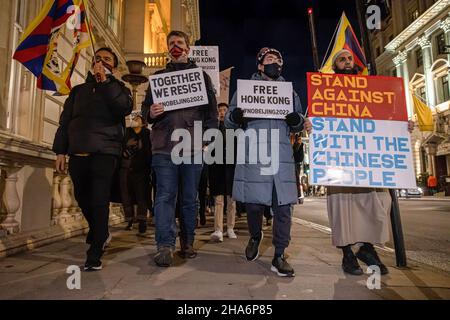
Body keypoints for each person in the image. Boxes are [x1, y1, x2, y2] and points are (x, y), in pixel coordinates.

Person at [324, 49, 413, 276]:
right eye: (341, 59)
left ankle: (366, 247)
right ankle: (347, 255)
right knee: (343, 207)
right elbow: (320, 118)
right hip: (340, 158)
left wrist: (402, 126)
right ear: (335, 66)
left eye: (349, 59)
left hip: (367, 160)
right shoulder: (326, 90)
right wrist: (311, 126)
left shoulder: (370, 88)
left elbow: (386, 117)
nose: (346, 62)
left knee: (379, 201)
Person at [225, 47, 311, 277]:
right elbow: (228, 120)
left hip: (281, 158)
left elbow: (300, 122)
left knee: (284, 208)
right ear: (260, 65)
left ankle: (279, 254)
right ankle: (255, 235)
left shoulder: (289, 93)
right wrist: (234, 117)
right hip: (255, 154)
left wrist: (296, 121)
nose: (276, 63)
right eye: (270, 59)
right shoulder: (244, 91)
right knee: (254, 205)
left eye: (279, 60)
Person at [141, 30, 218, 267]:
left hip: (192, 147)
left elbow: (211, 112)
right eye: (171, 43)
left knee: (189, 198)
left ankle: (187, 242)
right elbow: (146, 111)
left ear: (188, 48)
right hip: (164, 147)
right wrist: (149, 113)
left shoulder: (201, 77)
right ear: (168, 49)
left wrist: (207, 139)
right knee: (164, 196)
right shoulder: (158, 78)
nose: (176, 46)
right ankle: (164, 245)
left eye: (180, 43)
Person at [53, 47, 133, 271]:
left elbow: (123, 108)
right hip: (78, 151)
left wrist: (105, 82)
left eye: (107, 59)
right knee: (82, 197)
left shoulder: (120, 88)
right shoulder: (78, 91)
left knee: (99, 199)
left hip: (105, 152)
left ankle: (94, 252)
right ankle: (101, 232)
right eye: (98, 58)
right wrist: (60, 150)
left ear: (114, 67)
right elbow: (65, 122)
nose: (101, 61)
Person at [209, 103, 237, 242]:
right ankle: (218, 229)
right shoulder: (212, 129)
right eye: (219, 110)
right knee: (219, 199)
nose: (221, 112)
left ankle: (230, 227)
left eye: (224, 110)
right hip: (217, 167)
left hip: (231, 167)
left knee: (231, 200)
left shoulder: (234, 128)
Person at [120, 113, 152, 234]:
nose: (134, 120)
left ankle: (142, 220)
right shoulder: (126, 132)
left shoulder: (146, 134)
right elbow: (121, 146)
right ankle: (129, 219)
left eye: (137, 118)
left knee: (141, 196)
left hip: (141, 170)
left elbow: (148, 151)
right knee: (126, 195)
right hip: (125, 168)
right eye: (134, 118)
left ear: (143, 123)